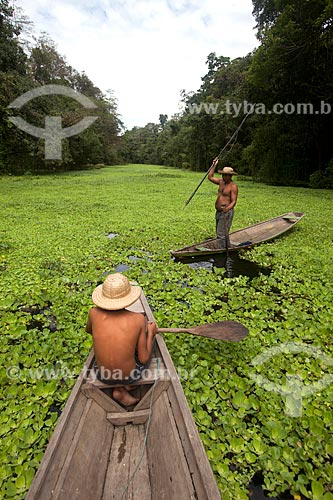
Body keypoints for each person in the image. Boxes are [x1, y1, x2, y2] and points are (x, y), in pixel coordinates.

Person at [86, 273, 157, 407]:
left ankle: (121, 389)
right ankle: (125, 386)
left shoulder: (93, 313)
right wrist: (151, 333)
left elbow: (89, 331)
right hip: (129, 375)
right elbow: (143, 358)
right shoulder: (138, 319)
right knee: (147, 345)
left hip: (103, 375)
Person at [208, 157, 238, 248]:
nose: (223, 177)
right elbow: (210, 177)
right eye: (223, 175)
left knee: (221, 234)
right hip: (219, 211)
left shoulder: (233, 186)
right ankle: (227, 246)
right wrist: (214, 165)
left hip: (226, 212)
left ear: (230, 176)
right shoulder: (221, 182)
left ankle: (220, 252)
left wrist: (226, 209)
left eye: (225, 175)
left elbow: (234, 201)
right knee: (221, 232)